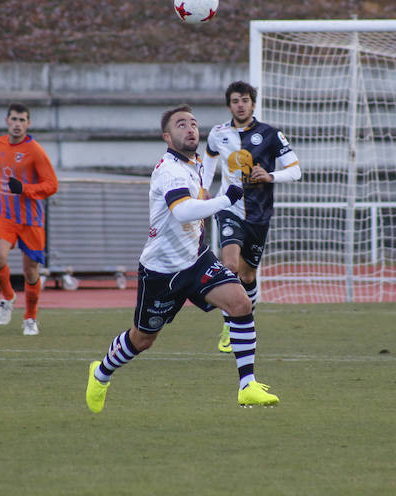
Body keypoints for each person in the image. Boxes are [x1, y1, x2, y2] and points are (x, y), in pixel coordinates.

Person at [85, 104, 279, 413]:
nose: (190, 128)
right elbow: (182, 211)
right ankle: (101, 373)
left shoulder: (195, 162)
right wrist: (224, 199)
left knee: (240, 302)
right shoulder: (168, 169)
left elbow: (196, 201)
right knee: (142, 340)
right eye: (180, 124)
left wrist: (219, 194)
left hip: (196, 258)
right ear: (166, 136)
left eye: (193, 123)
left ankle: (247, 386)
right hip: (162, 271)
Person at [201, 81, 301, 353]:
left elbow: (295, 170)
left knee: (248, 275)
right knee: (230, 265)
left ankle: (245, 319)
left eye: (245, 100)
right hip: (229, 207)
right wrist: (203, 187)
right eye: (235, 101)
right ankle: (228, 326)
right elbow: (209, 160)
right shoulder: (218, 133)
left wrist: (270, 176)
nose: (240, 105)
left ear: (253, 104)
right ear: (229, 105)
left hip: (258, 214)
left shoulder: (270, 134)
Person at [0, 102, 58, 335]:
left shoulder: (35, 150)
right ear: (7, 121)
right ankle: (8, 297)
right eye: (14, 119)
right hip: (5, 216)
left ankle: (30, 318)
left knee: (31, 272)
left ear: (28, 123)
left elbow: (51, 185)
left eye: (22, 120)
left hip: (31, 220)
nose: (17, 124)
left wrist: (24, 188)